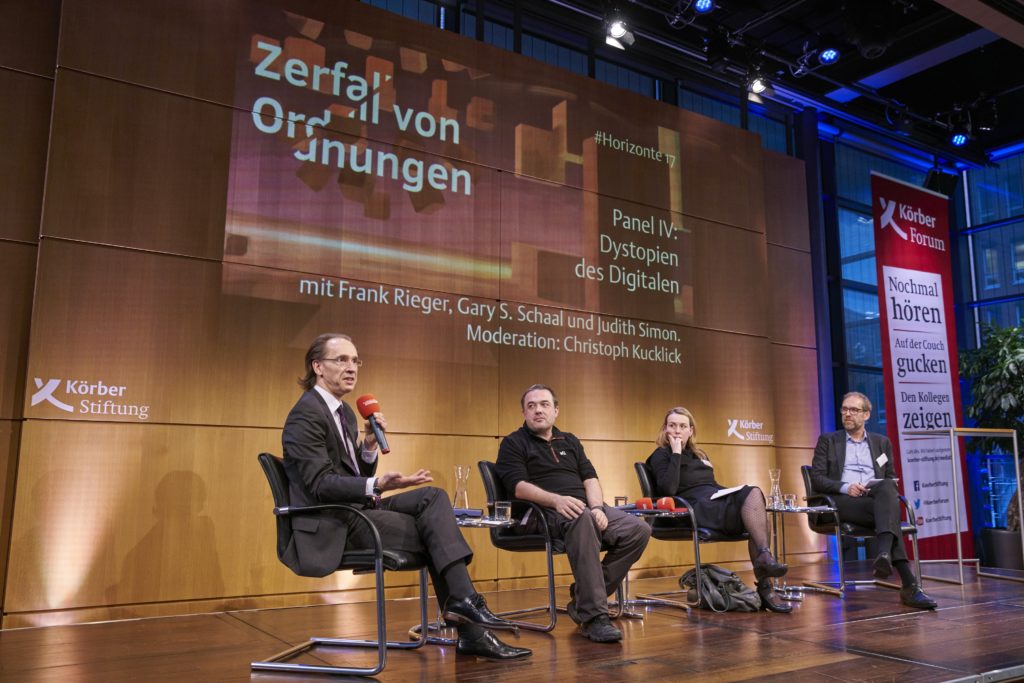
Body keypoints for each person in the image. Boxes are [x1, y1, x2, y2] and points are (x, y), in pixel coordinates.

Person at [281, 333, 531, 660]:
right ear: (317, 366)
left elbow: (354, 477)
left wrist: (369, 447)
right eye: (341, 360)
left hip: (353, 511)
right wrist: (378, 486)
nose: (352, 367)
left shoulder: (344, 412)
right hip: (331, 522)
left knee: (432, 497)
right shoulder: (306, 414)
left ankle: (465, 609)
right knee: (435, 532)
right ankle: (470, 619)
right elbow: (320, 484)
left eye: (356, 360)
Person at [495, 384, 651, 643]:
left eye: (544, 404)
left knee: (638, 529)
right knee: (581, 518)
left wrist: (598, 508)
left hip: (584, 508)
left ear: (555, 410)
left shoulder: (570, 440)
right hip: (541, 514)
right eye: (531, 406)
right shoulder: (513, 443)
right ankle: (594, 617)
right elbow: (518, 487)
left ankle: (582, 599)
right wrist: (557, 501)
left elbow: (590, 478)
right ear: (523, 412)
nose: (538, 410)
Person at [647, 406, 792, 613]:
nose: (677, 431)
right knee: (752, 517)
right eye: (672, 426)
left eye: (682, 426)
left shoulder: (699, 455)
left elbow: (711, 484)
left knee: (753, 495)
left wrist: (731, 494)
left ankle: (764, 558)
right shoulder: (660, 455)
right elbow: (668, 489)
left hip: (713, 500)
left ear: (691, 431)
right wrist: (676, 453)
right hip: (690, 510)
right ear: (665, 429)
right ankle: (766, 585)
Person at [811, 391, 937, 610]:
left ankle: (887, 557)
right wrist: (846, 487)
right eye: (844, 409)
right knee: (890, 515)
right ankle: (906, 581)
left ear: (867, 415)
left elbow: (891, 478)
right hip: (841, 501)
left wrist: (879, 486)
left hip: (873, 499)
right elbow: (818, 479)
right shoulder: (828, 441)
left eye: (854, 410)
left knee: (888, 487)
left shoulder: (881, 442)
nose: (847, 414)